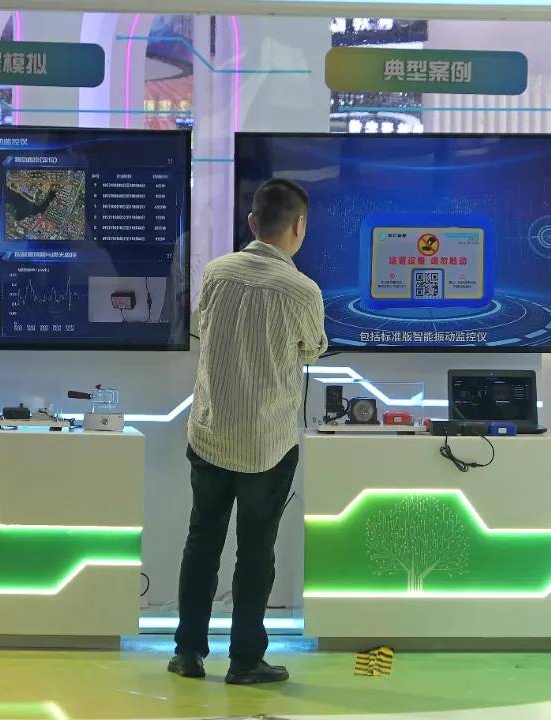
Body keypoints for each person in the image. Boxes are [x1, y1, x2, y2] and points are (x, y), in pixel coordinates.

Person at [168, 179, 327, 685]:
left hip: (210, 433)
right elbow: (313, 349)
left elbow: (200, 327)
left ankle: (188, 653)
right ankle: (245, 661)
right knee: (256, 552)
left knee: (202, 541)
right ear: (299, 226)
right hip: (268, 443)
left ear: (253, 222)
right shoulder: (303, 290)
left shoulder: (216, 272)